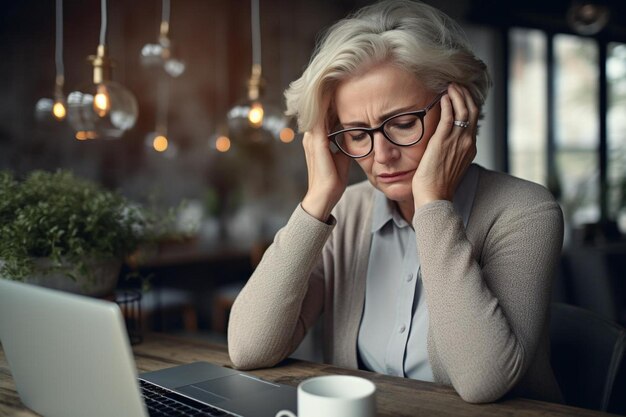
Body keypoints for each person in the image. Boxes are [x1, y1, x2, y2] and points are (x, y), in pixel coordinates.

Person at [227, 0, 564, 404]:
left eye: (403, 124)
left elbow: (484, 380)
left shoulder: (525, 211)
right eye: (356, 133)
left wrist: (432, 204)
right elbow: (249, 349)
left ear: (459, 113)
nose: (381, 155)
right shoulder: (346, 211)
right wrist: (318, 199)